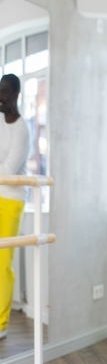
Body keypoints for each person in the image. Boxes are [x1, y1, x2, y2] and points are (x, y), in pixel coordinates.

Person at [0, 73, 30, 341]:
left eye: (5, 92)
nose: (1, 96)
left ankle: (1, 322)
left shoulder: (22, 129)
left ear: (16, 95)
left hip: (11, 199)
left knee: (3, 261)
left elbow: (8, 171)